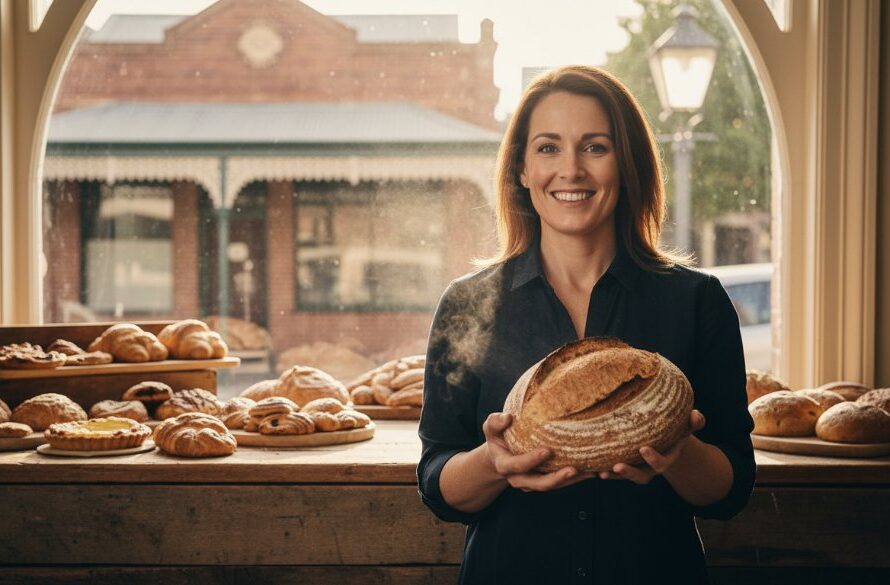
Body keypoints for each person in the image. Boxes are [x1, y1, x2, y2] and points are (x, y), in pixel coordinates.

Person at [417, 65, 755, 585]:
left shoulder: (696, 301)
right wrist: (494, 463)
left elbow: (732, 490)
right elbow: (438, 483)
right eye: (548, 148)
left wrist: (677, 453)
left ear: (628, 165)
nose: (570, 170)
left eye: (595, 147)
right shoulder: (467, 305)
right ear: (522, 171)